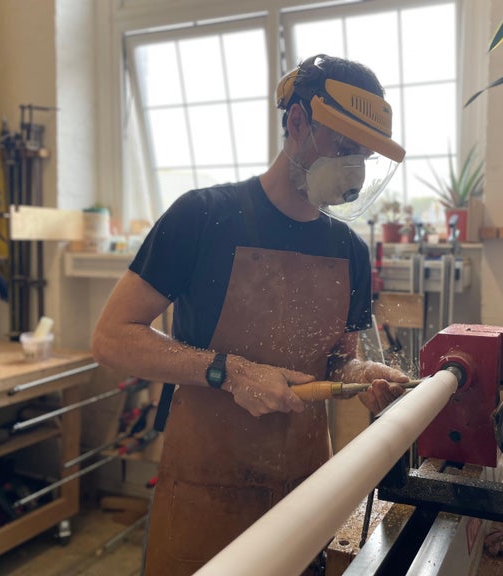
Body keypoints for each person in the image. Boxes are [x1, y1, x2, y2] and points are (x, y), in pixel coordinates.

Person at [91, 54, 408, 576]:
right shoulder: (203, 216)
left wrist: (360, 376)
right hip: (205, 486)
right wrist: (231, 372)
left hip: (305, 490)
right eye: (343, 147)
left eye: (364, 155)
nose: (354, 167)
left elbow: (336, 362)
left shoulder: (350, 250)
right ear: (298, 122)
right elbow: (111, 338)